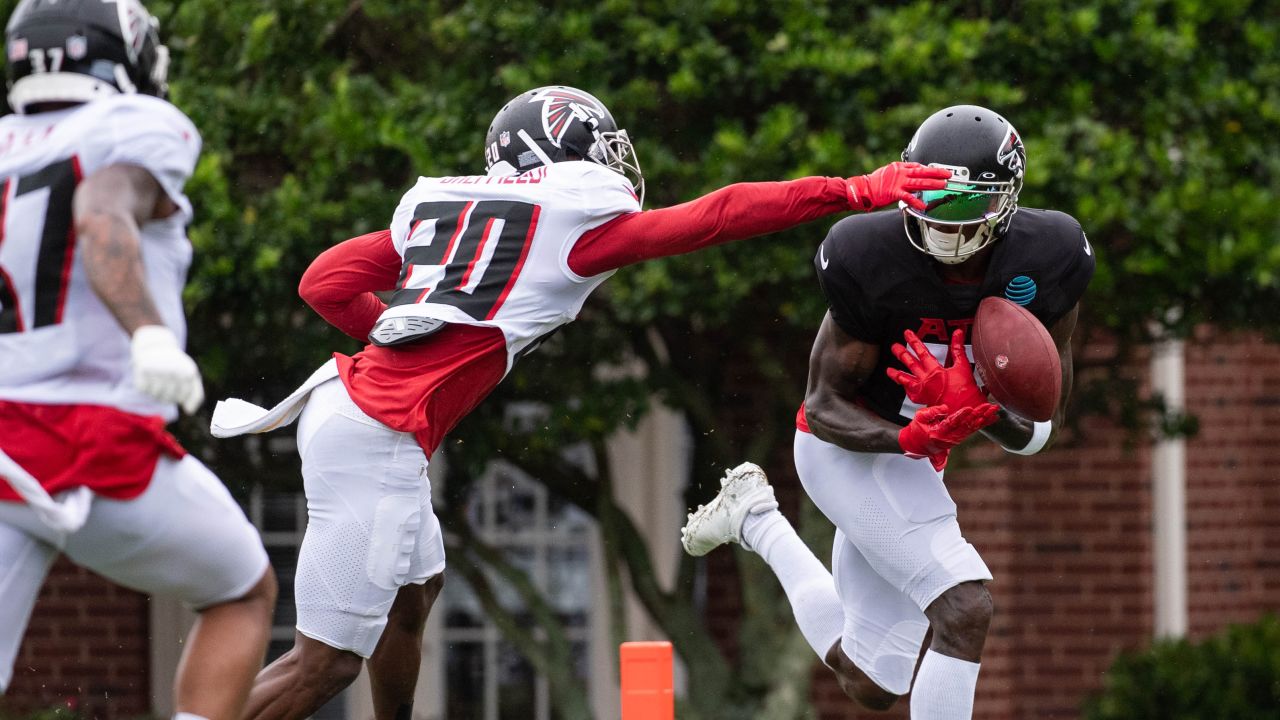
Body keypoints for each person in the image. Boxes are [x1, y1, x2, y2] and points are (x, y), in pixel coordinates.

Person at [210, 84, 952, 719]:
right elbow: (717, 214)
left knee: (415, 591)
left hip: (357, 408)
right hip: (374, 433)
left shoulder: (450, 207)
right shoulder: (570, 229)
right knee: (325, 665)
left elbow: (324, 281)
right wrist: (852, 191)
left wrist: (400, 332)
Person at [682, 105, 1095, 719]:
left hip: (920, 458)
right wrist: (910, 434)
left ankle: (756, 520)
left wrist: (977, 408)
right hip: (844, 450)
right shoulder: (869, 254)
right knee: (964, 606)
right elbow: (821, 406)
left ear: (1004, 203)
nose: (939, 221)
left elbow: (1039, 426)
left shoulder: (1049, 255)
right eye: (928, 197)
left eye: (960, 204)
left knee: (872, 684)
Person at [0, 2, 276, 718]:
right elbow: (101, 206)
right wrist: (148, 331)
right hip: (87, 440)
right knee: (243, 590)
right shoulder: (134, 124)